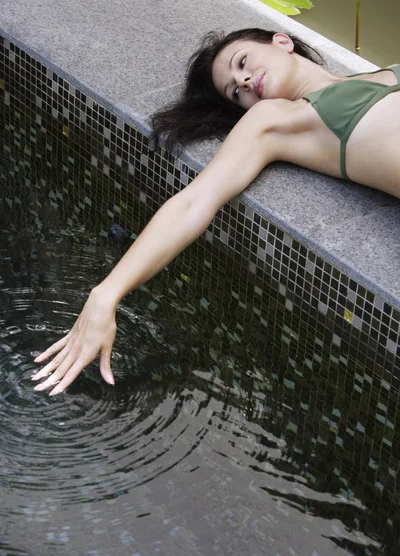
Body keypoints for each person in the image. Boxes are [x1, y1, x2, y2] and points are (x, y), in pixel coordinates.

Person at [31, 28, 400, 395]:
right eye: (235, 93)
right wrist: (106, 293)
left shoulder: (380, 73)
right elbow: (194, 202)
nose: (242, 81)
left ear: (282, 41)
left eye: (242, 63)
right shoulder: (276, 118)